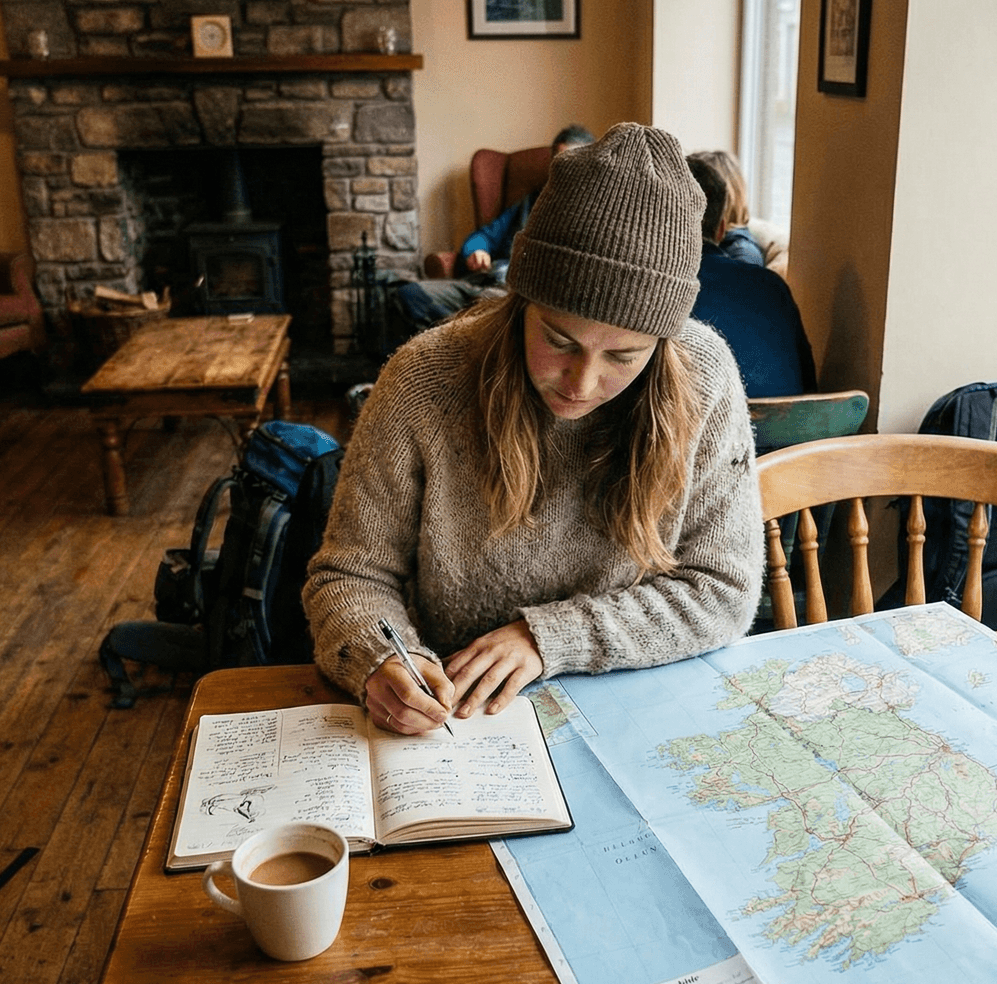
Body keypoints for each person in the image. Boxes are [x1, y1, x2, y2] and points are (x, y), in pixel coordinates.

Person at [305, 123, 765, 736]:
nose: (581, 382)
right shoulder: (423, 380)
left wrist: (549, 638)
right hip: (461, 722)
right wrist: (383, 656)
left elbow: (723, 590)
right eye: (558, 340)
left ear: (664, 341)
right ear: (519, 300)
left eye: (625, 356)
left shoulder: (705, 380)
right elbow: (350, 575)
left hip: (634, 707)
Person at [388, 124, 597, 346]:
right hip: (483, 281)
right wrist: (476, 250)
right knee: (409, 294)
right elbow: (485, 236)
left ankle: (460, 339)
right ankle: (452, 343)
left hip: (518, 296)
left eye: (572, 161)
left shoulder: (594, 214)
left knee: (493, 308)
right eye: (558, 161)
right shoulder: (530, 202)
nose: (563, 170)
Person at [686, 155, 818, 398]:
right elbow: (809, 382)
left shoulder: (660, 290)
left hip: (712, 431)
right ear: (722, 228)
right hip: (799, 432)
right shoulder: (773, 286)